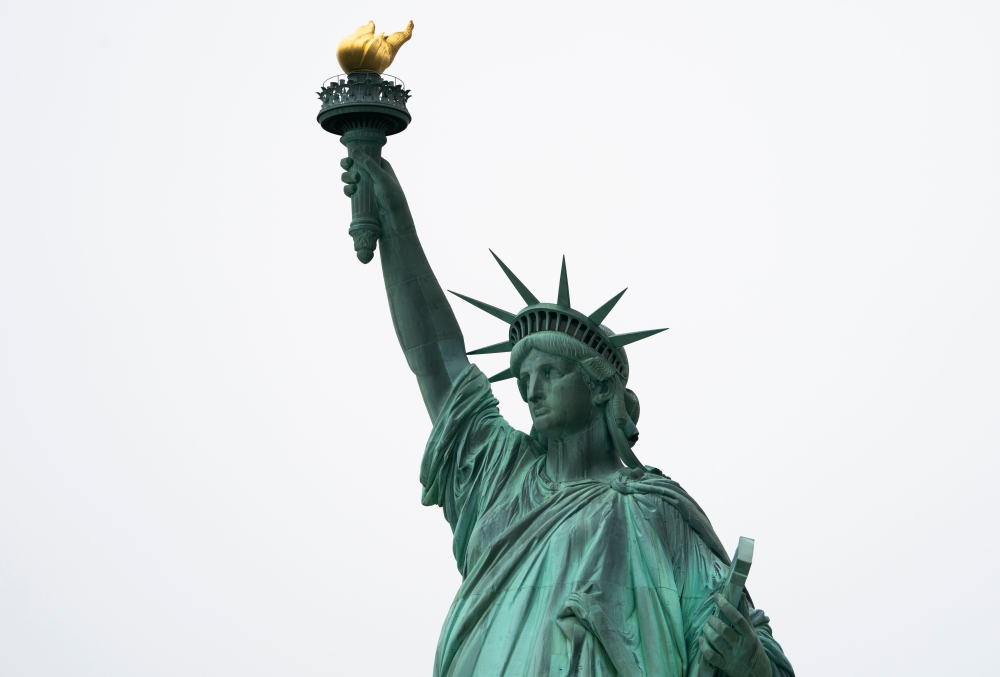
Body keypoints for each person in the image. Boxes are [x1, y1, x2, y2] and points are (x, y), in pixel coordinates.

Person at [340, 153, 795, 677]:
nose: (530, 391)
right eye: (524, 380)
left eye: (549, 373)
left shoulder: (656, 513)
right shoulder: (500, 477)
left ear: (599, 387)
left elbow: (747, 649)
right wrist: (397, 223)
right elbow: (436, 360)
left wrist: (749, 661)